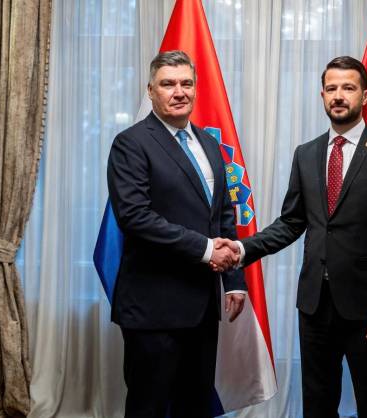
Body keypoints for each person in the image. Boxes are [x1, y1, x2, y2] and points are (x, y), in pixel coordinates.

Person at [216, 56, 367, 418]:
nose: (338, 95)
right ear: (322, 95)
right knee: (317, 402)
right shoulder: (306, 154)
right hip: (314, 305)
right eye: (331, 88)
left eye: (348, 88)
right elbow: (291, 222)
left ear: (365, 96)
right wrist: (243, 248)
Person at [107, 50, 245, 418]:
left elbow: (223, 214)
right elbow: (135, 217)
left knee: (196, 406)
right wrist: (207, 250)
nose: (179, 91)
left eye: (186, 83)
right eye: (168, 84)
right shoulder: (131, 143)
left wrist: (234, 280)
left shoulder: (209, 144)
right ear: (150, 90)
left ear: (196, 88)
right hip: (153, 307)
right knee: (148, 408)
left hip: (202, 306)